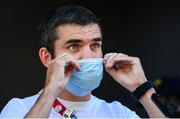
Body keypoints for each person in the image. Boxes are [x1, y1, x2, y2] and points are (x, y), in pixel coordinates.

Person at [0, 5, 166, 118]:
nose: (89, 55)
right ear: (47, 57)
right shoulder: (19, 108)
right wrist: (50, 92)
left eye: (95, 45)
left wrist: (142, 87)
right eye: (74, 46)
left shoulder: (118, 113)